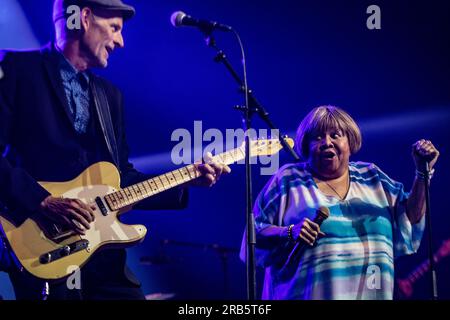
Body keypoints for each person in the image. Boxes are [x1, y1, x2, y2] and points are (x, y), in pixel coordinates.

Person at [0, 0, 230, 300]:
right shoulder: (17, 69)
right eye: (115, 28)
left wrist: (189, 178)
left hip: (102, 253)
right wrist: (42, 202)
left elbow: (121, 177)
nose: (120, 41)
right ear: (84, 18)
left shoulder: (110, 96)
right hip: (41, 242)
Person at [243, 105, 439, 300]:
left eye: (335, 135)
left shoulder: (372, 177)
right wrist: (289, 232)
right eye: (317, 137)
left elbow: (410, 218)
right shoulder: (288, 179)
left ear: (350, 141)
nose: (326, 142)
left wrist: (422, 173)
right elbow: (253, 233)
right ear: (306, 145)